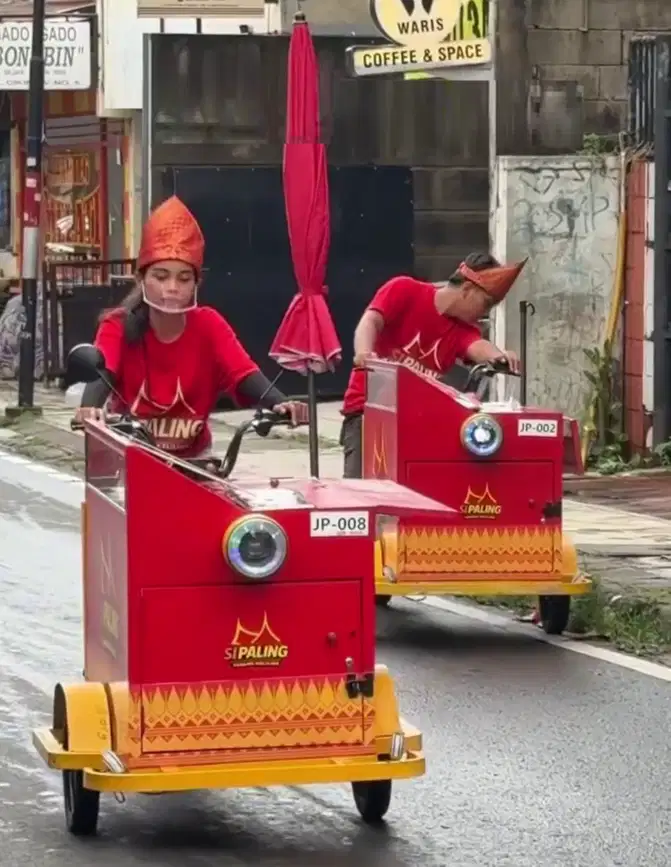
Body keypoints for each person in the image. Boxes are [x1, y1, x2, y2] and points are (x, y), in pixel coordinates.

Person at [74, 195, 307, 456]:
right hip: (131, 457)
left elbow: (243, 374)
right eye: (161, 277)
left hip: (194, 462)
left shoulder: (208, 324)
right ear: (141, 279)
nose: (172, 288)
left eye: (184, 279)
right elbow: (103, 370)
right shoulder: (117, 325)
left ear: (196, 284)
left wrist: (280, 402)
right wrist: (89, 408)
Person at [340, 251, 526, 478]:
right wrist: (364, 353)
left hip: (417, 420)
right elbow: (371, 321)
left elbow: (478, 347)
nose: (485, 313)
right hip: (368, 412)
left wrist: (500, 356)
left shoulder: (463, 330)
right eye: (486, 303)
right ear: (467, 289)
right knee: (363, 493)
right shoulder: (405, 289)